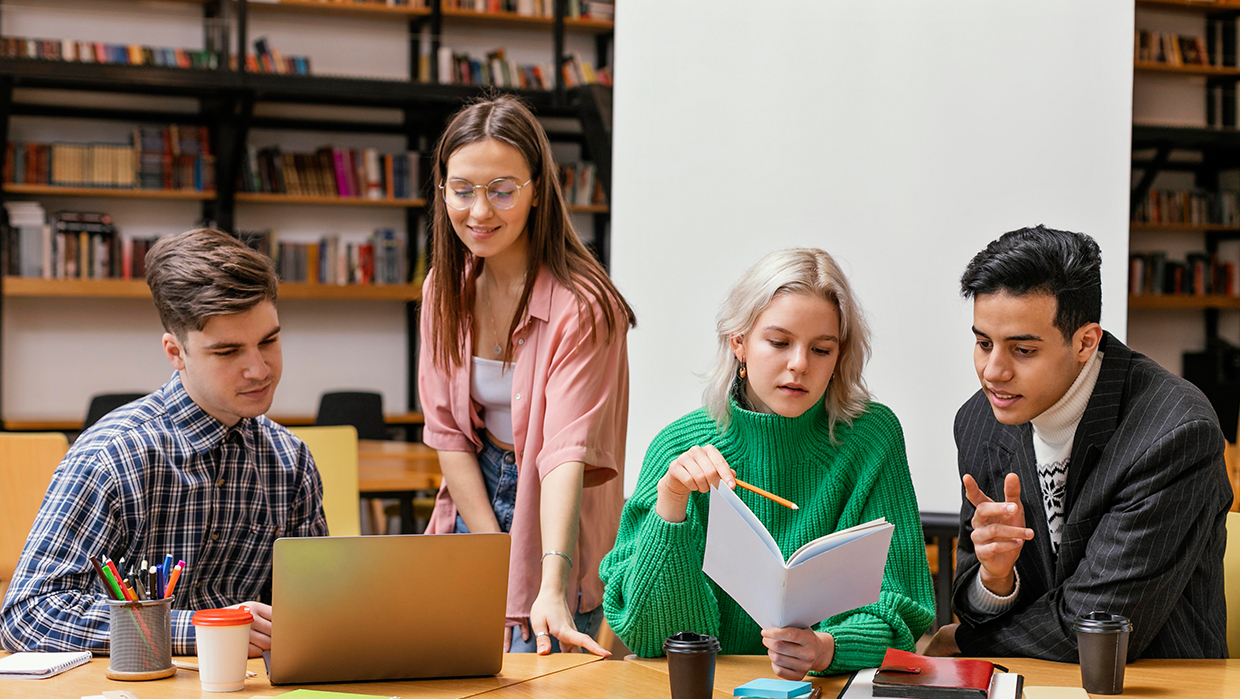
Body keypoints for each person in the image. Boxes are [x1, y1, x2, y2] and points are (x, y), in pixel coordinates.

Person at [599, 248, 934, 679]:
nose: (799, 364)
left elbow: (901, 605)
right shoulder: (676, 448)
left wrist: (827, 649)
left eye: (821, 349)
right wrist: (671, 504)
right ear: (738, 342)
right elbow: (649, 637)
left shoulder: (872, 437)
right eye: (778, 343)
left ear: (839, 356)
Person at [0, 228, 328, 656]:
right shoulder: (112, 457)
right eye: (228, 352)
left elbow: (316, 610)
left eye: (268, 341)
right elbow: (29, 614)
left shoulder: (290, 461)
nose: (259, 369)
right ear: (175, 352)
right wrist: (203, 630)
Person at [927, 225, 1232, 660]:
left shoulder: (1175, 431)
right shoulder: (979, 422)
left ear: (1086, 342)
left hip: (1152, 682)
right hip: (1029, 682)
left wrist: (963, 641)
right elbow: (972, 600)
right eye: (983, 343)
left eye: (1023, 350)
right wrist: (995, 581)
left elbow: (1097, 626)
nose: (993, 371)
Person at [418, 96, 634, 656]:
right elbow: (448, 435)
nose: (480, 211)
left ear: (538, 189)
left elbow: (564, 454)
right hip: (476, 495)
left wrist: (551, 582)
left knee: (544, 668)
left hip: (557, 506)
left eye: (502, 190)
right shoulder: (443, 288)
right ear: (442, 192)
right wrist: (493, 549)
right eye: (462, 190)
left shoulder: (583, 306)